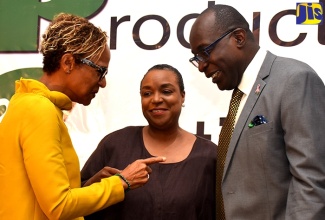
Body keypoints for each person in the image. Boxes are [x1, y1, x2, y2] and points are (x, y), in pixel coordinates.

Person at [0, 13, 165, 220]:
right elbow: (59, 206)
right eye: (100, 71)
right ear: (68, 62)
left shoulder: (29, 104)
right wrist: (122, 181)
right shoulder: (38, 110)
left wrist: (88, 187)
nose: (103, 83)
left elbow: (39, 198)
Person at [189, 4, 325, 220]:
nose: (201, 66)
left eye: (205, 52)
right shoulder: (241, 95)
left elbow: (312, 183)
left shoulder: (294, 80)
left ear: (239, 38)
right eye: (196, 58)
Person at [81, 64, 217, 220]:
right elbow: (75, 202)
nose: (156, 99)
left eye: (166, 91)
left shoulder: (209, 155)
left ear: (182, 96)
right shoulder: (116, 145)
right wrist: (95, 185)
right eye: (147, 93)